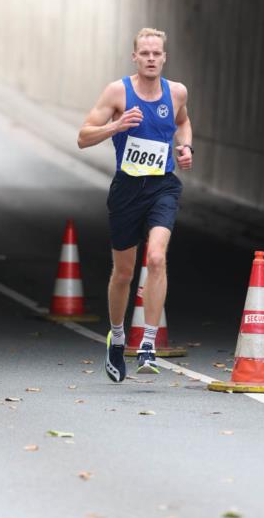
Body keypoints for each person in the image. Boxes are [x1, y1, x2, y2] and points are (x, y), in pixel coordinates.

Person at [77, 28, 193, 381]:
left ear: (164, 57)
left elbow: (183, 122)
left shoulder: (176, 92)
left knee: (156, 257)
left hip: (163, 187)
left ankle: (148, 343)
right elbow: (83, 137)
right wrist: (116, 127)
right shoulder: (118, 92)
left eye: (157, 53)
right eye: (145, 53)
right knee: (124, 273)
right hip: (127, 190)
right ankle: (118, 334)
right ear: (134, 57)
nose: (151, 59)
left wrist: (186, 147)